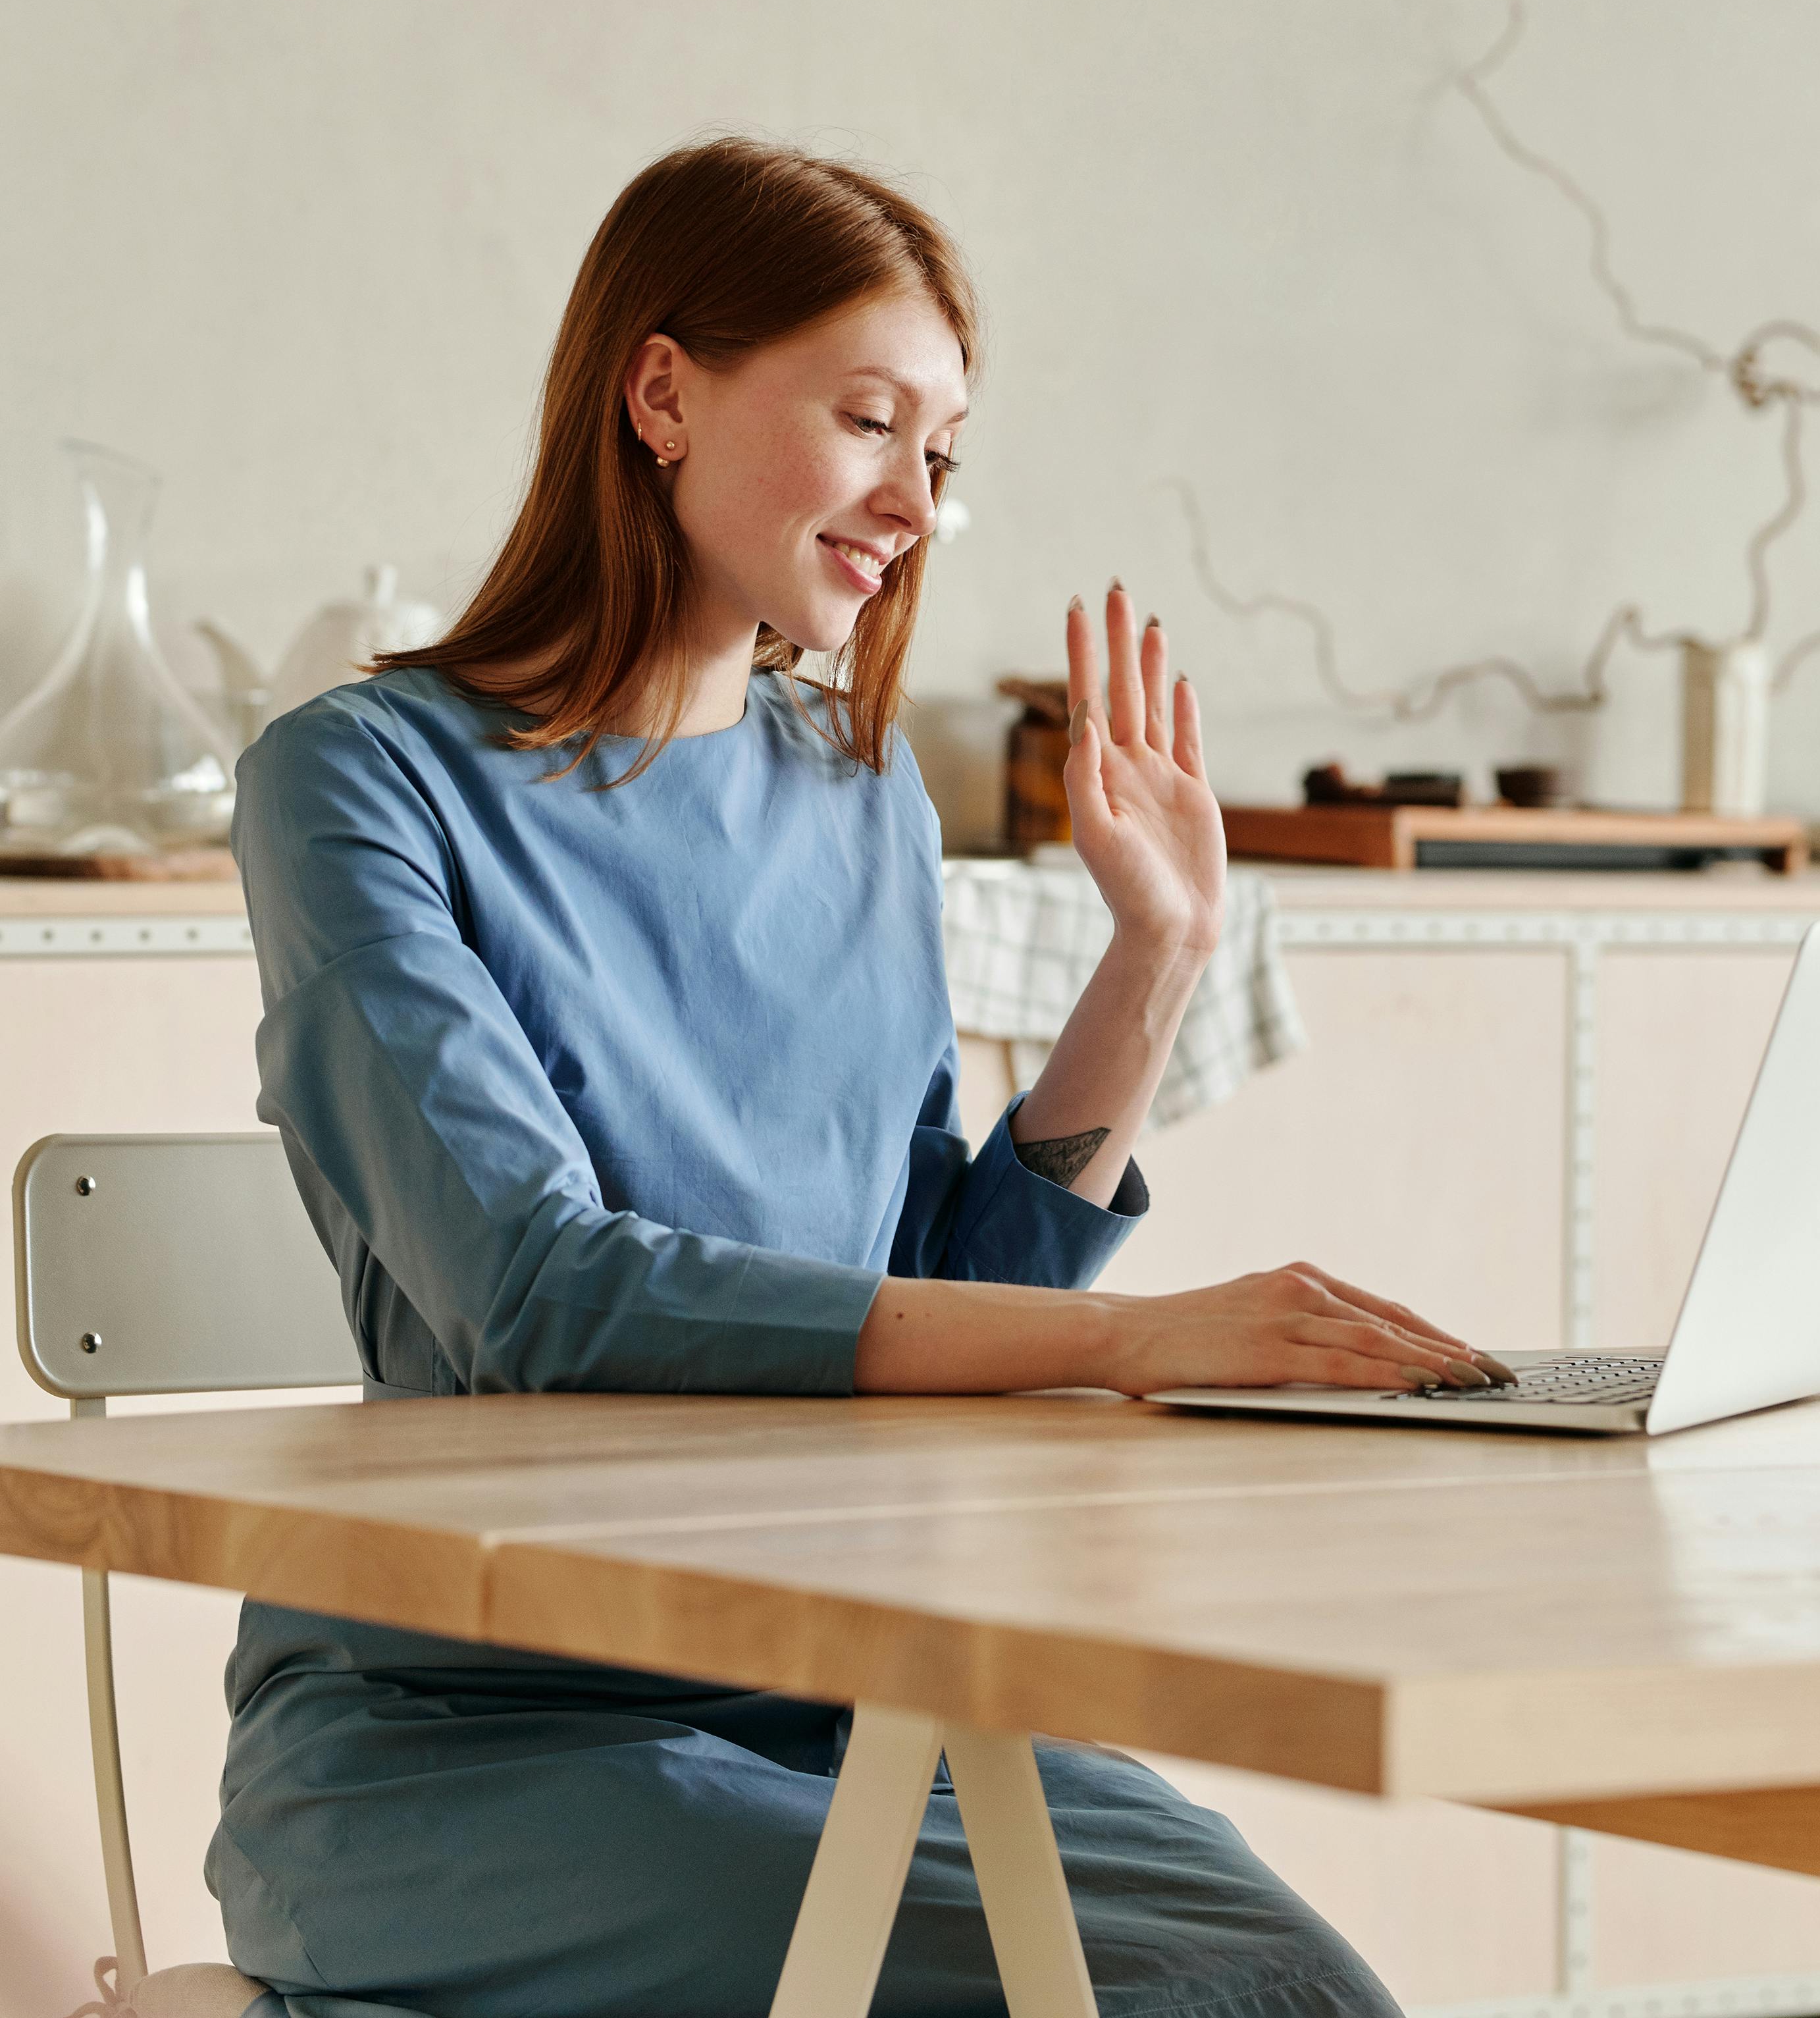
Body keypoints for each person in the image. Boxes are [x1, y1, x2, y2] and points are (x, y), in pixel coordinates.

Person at [212, 138, 1504, 2018]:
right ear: (660, 394)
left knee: (1282, 1992)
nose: (917, 501)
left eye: (946, 454)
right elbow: (534, 1293)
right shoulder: (360, 781)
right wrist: (1139, 1342)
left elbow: (932, 1305)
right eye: (872, 421)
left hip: (865, 1692)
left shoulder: (859, 790)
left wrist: (1154, 959)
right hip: (475, 1736)